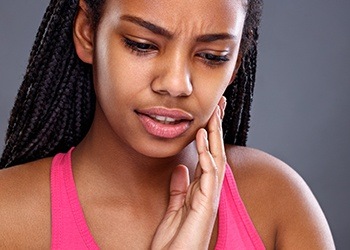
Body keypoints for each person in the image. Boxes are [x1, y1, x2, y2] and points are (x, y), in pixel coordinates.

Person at [0, 0, 335, 249]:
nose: (176, 84)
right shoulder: (8, 217)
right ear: (88, 32)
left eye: (212, 55)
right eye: (142, 45)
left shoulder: (278, 204)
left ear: (235, 64)